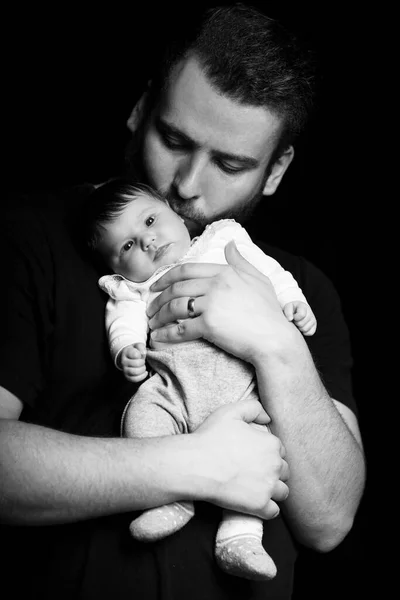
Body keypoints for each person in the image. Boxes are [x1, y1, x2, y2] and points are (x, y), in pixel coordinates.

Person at [0, 3, 365, 599]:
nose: (189, 186)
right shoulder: (26, 239)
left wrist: (277, 343)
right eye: (174, 139)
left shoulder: (299, 284)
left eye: (230, 164)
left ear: (275, 171)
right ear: (141, 111)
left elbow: (328, 521)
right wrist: (196, 464)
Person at [85, 176, 317, 581]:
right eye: (126, 246)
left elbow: (268, 272)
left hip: (241, 389)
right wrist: (126, 349)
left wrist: (292, 301)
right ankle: (170, 499)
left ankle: (240, 539)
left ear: (175, 212)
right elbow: (122, 322)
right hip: (171, 388)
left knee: (259, 453)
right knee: (142, 416)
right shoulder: (132, 289)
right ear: (114, 267)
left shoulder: (222, 241)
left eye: (151, 220)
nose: (147, 242)